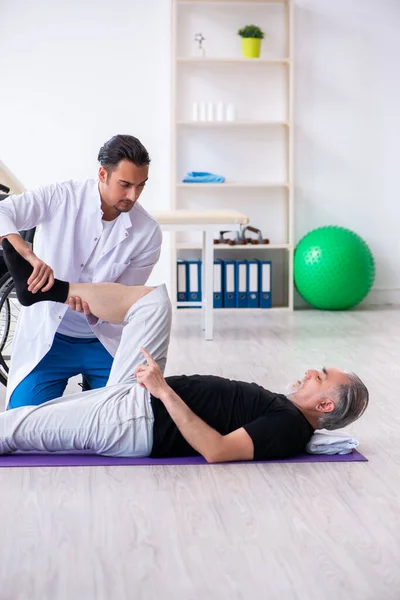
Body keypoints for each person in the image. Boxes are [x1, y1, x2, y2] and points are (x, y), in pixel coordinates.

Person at [0, 241, 369, 462]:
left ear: (325, 406)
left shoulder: (289, 427)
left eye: (318, 378)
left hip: (135, 421)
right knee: (154, 301)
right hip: (137, 399)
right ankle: (48, 291)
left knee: (15, 428)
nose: (308, 373)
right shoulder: (289, 415)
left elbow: (217, 450)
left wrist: (163, 391)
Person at [0, 134, 162, 410]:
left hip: (104, 340)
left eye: (140, 186)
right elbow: (3, 211)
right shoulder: (61, 196)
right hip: (50, 339)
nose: (132, 196)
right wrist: (27, 255)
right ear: (102, 173)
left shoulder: (147, 233)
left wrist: (87, 301)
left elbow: (121, 306)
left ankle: (94, 387)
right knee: (22, 424)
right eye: (125, 185)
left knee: (121, 424)